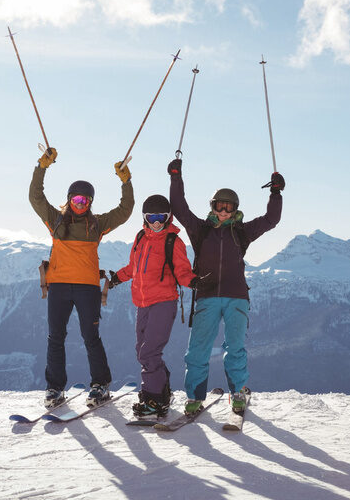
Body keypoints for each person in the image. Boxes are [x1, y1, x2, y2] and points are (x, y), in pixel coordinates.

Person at [167, 157, 284, 415]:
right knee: (198, 350)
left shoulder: (241, 232)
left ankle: (238, 393)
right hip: (207, 296)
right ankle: (194, 397)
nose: (223, 211)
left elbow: (271, 220)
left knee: (235, 348)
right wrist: (176, 177)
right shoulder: (200, 230)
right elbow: (179, 207)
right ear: (213, 207)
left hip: (236, 297)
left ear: (235, 210)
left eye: (228, 208)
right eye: (220, 206)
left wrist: (275, 193)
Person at [29, 147, 134, 408]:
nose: (80, 204)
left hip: (87, 289)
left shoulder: (97, 225)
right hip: (60, 287)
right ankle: (54, 388)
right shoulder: (55, 220)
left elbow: (125, 209)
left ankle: (100, 384)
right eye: (76, 200)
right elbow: (36, 197)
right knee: (56, 337)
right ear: (69, 200)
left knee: (90, 337)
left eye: (85, 201)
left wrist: (126, 181)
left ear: (90, 203)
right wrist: (41, 167)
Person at [109, 195, 197, 418]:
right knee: (142, 351)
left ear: (168, 218)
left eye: (161, 217)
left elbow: (182, 271)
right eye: (152, 218)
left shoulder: (173, 242)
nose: (156, 223)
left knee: (150, 351)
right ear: (145, 218)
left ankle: (154, 398)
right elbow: (134, 267)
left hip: (164, 302)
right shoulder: (140, 238)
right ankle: (161, 390)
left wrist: (195, 281)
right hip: (142, 303)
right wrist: (117, 278)